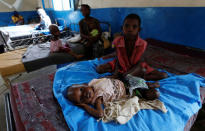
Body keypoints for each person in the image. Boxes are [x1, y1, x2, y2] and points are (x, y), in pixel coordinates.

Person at [97, 14, 167, 81]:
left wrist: (126, 75)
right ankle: (128, 76)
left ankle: (139, 77)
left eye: (134, 27)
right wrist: (115, 73)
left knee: (163, 75)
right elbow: (118, 58)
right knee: (99, 69)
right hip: (122, 65)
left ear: (139, 29)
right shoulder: (117, 41)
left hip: (137, 67)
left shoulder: (143, 44)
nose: (130, 29)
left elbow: (139, 63)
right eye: (126, 26)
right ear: (122, 28)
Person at [67, 77, 160, 118]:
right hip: (130, 90)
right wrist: (84, 106)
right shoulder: (98, 98)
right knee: (153, 94)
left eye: (82, 90)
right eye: (82, 99)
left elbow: (106, 79)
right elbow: (100, 114)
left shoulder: (93, 82)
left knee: (134, 77)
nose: (85, 95)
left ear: (83, 84)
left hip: (124, 80)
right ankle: (149, 86)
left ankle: (149, 84)